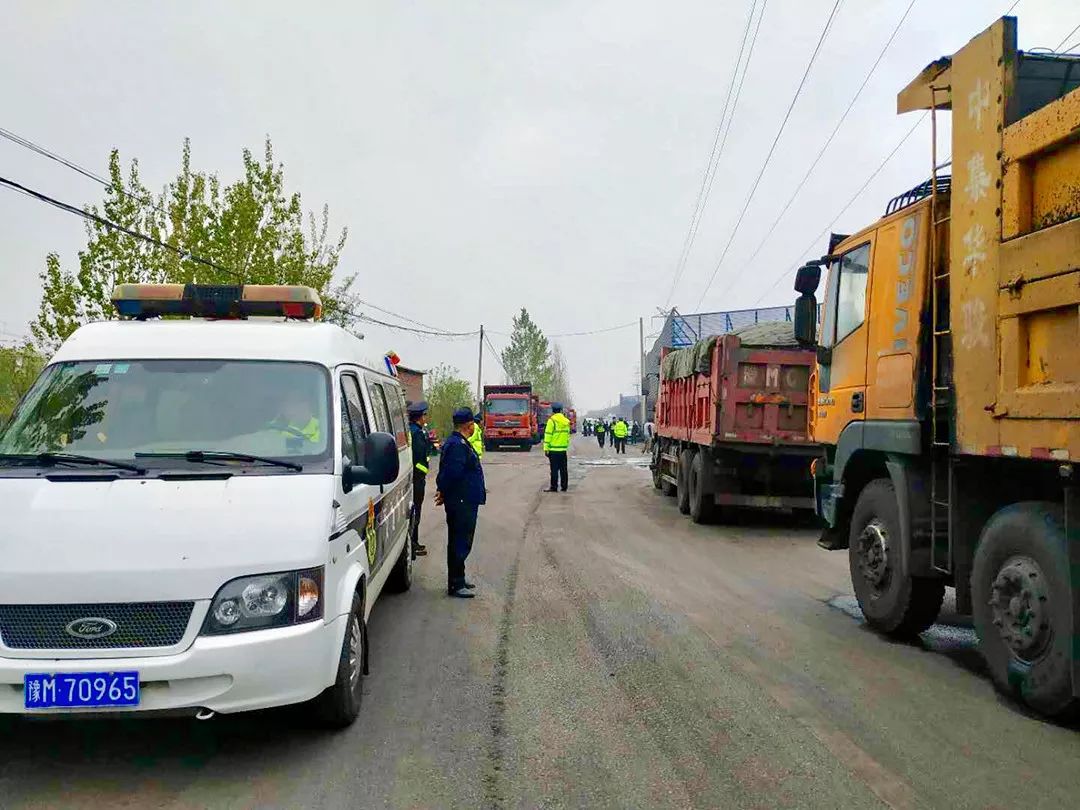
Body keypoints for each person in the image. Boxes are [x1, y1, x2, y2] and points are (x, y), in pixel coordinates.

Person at [435, 408, 486, 599]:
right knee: (460, 541)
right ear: (468, 425)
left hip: (464, 499)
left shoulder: (460, 443)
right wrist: (444, 492)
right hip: (461, 501)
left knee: (462, 540)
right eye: (473, 424)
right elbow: (451, 474)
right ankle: (456, 584)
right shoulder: (457, 445)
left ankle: (459, 578)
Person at [407, 401, 433, 558]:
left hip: (417, 478)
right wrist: (423, 472)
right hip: (417, 479)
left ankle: (414, 541)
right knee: (415, 511)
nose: (426, 417)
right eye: (425, 415)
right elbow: (418, 459)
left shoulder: (416, 431)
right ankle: (412, 543)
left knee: (416, 511)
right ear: (420, 417)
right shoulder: (417, 433)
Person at [544, 402, 572, 492]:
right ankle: (564, 487)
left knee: (554, 469)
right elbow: (568, 435)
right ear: (561, 410)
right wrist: (565, 445)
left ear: (553, 411)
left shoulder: (551, 421)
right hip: (563, 450)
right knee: (564, 469)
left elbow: (548, 435)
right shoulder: (566, 421)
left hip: (553, 450)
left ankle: (554, 487)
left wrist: (546, 448)